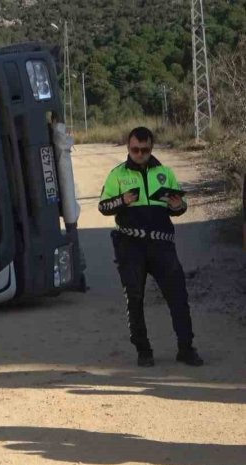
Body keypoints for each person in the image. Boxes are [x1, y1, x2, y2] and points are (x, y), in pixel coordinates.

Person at [98, 127, 203, 367]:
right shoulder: (117, 175)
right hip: (130, 245)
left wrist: (177, 205)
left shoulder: (165, 172)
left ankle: (186, 348)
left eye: (144, 150)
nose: (140, 154)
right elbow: (103, 207)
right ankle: (143, 351)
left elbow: (180, 209)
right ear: (128, 148)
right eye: (135, 150)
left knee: (178, 296)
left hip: (161, 245)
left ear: (151, 148)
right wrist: (122, 201)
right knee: (134, 298)